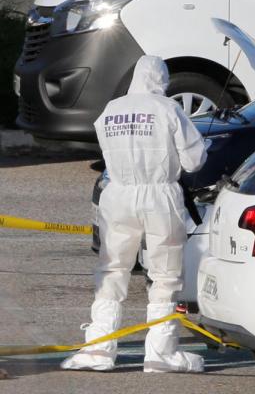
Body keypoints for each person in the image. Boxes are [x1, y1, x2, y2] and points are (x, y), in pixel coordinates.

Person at [62, 56, 208, 373]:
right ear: (163, 81)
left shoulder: (111, 110)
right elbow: (195, 161)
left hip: (118, 194)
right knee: (165, 273)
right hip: (159, 195)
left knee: (112, 268)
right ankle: (160, 352)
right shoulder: (169, 109)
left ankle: (99, 349)